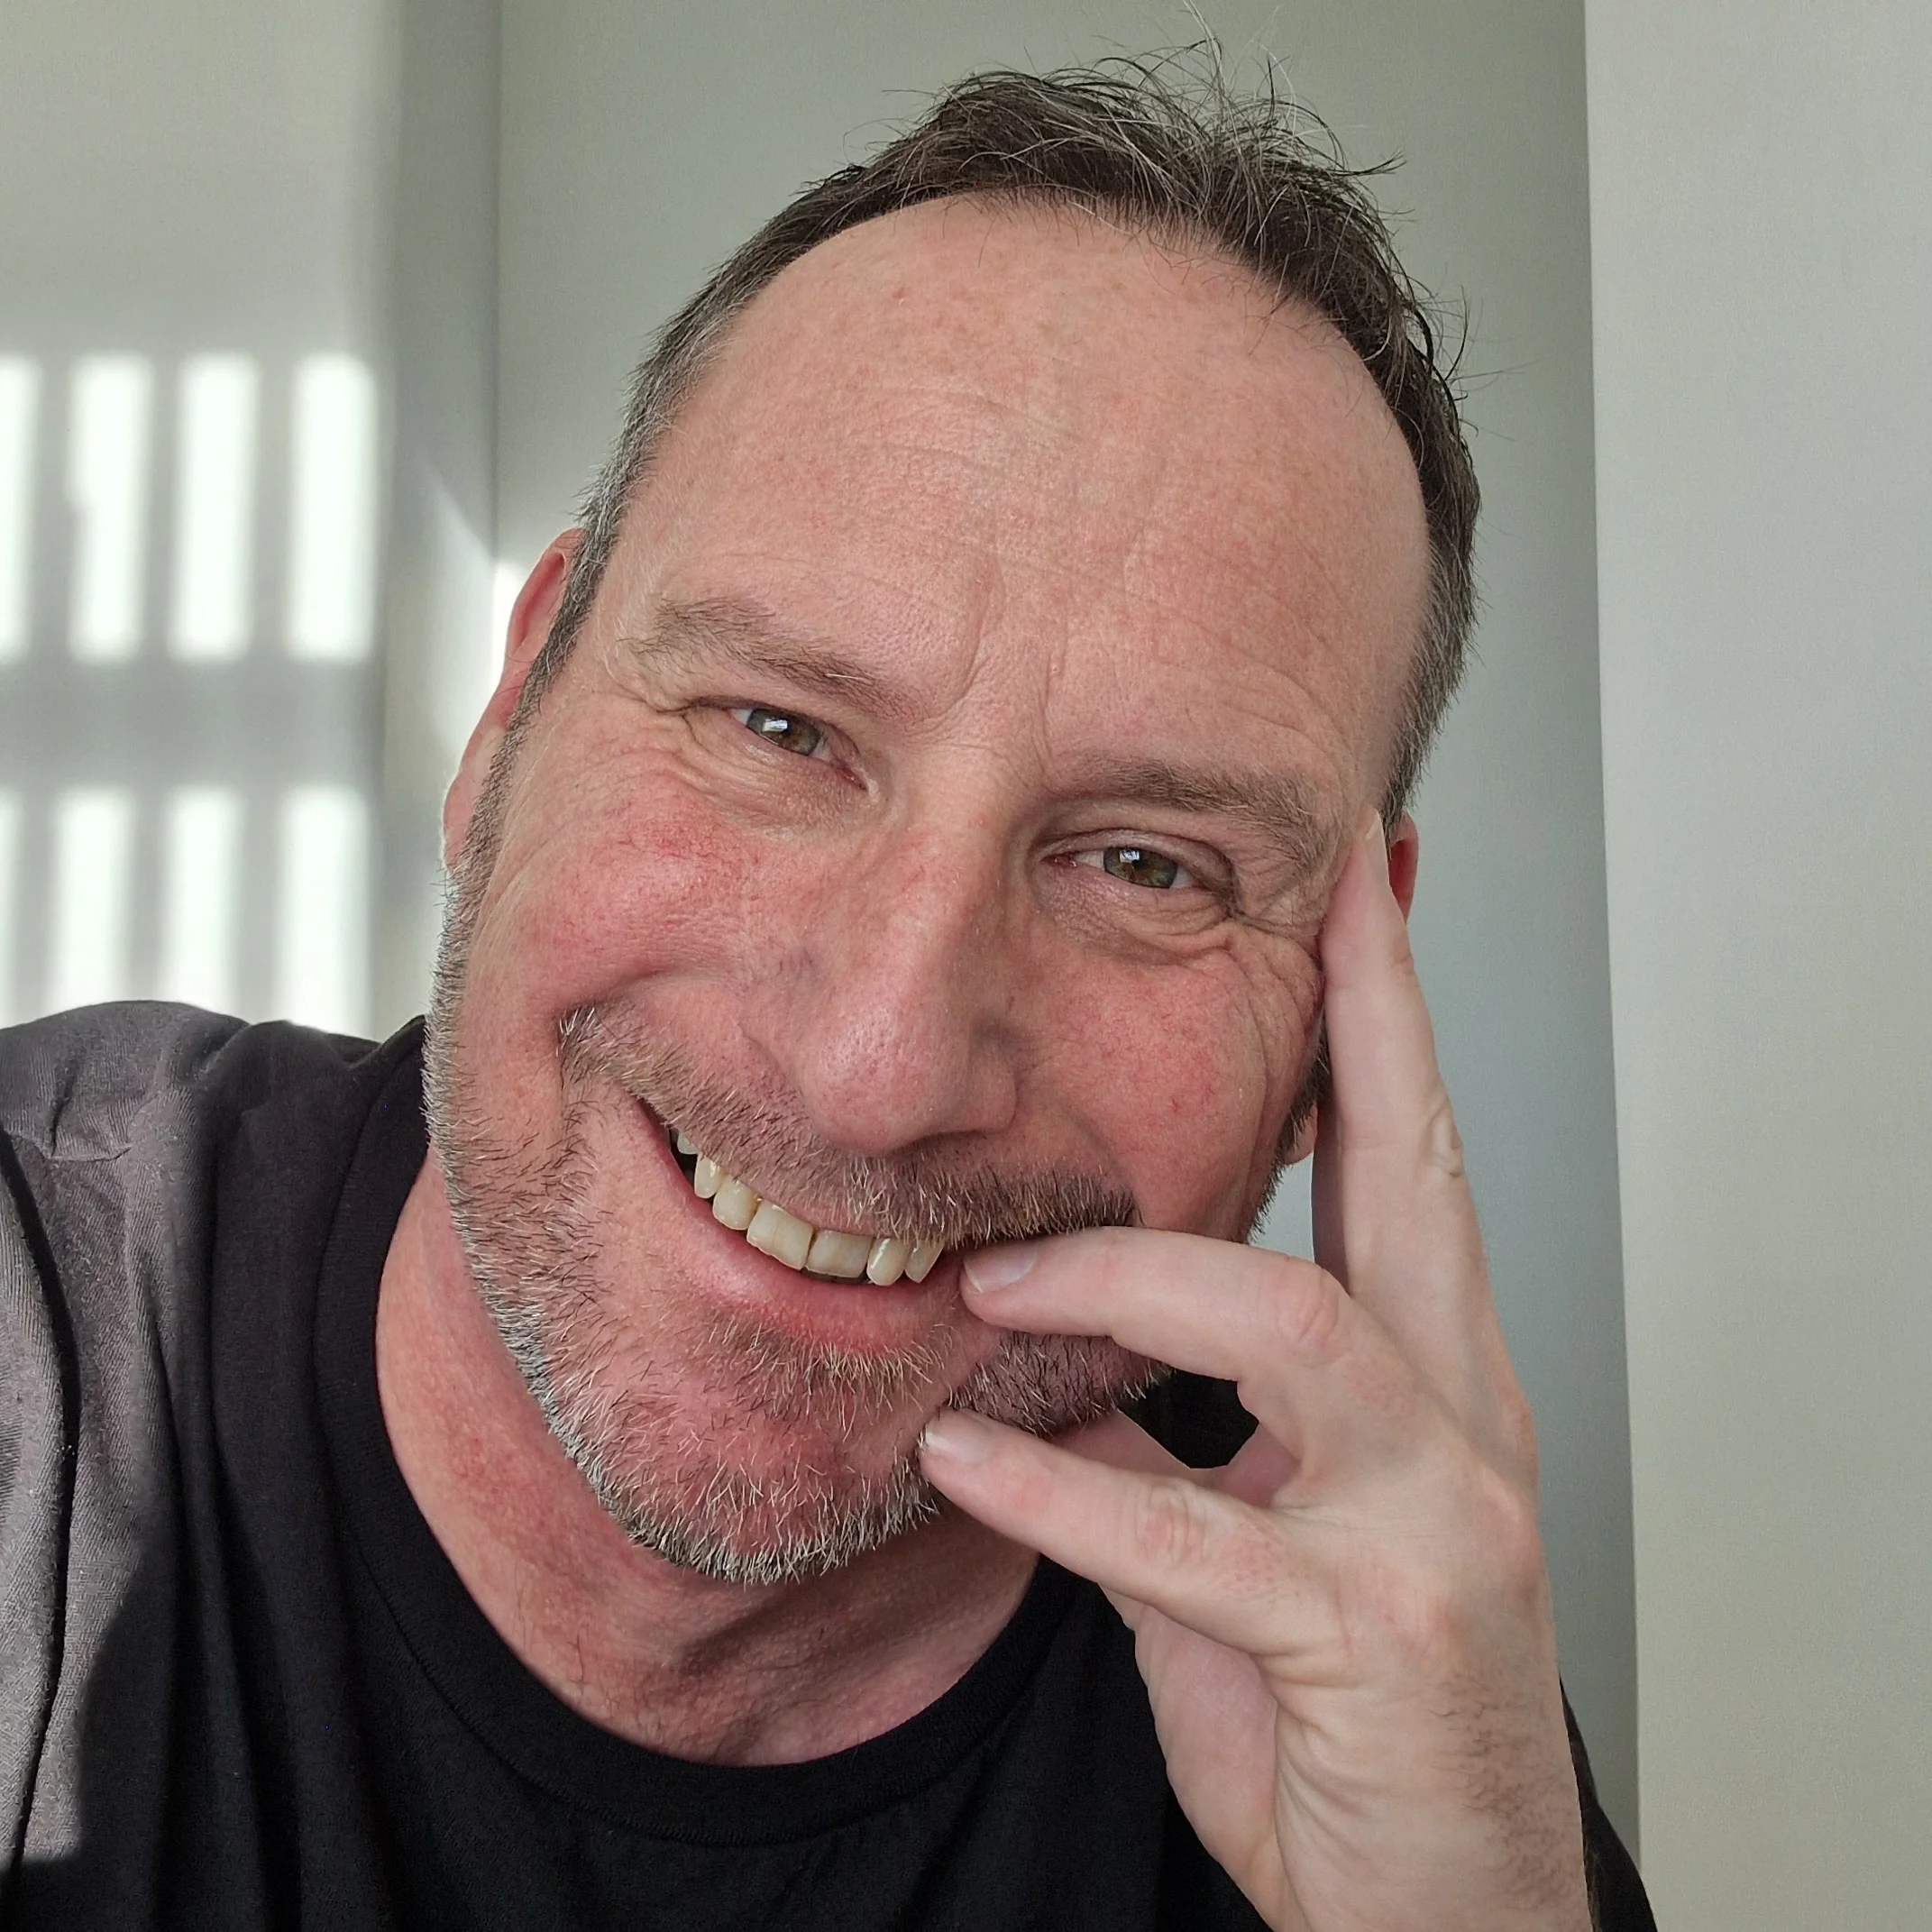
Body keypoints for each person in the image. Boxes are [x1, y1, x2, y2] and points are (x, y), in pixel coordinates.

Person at [0, 62, 1654, 1932]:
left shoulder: (1364, 1707)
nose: (879, 1069)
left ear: (1345, 1013)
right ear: (513, 710)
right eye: (778, 730)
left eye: (1146, 865)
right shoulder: (46, 1340)